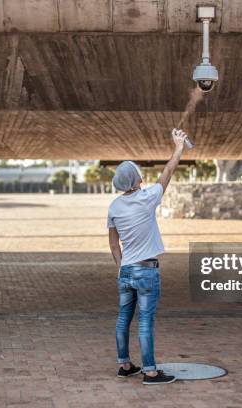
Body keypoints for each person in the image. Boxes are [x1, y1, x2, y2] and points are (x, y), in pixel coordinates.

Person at [107, 129, 188, 385]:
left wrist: (121, 267)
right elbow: (168, 172)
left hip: (126, 271)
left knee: (123, 318)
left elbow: (113, 241)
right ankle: (150, 372)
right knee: (145, 322)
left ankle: (125, 365)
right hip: (146, 271)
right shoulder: (147, 197)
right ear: (136, 179)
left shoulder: (114, 207)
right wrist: (178, 147)